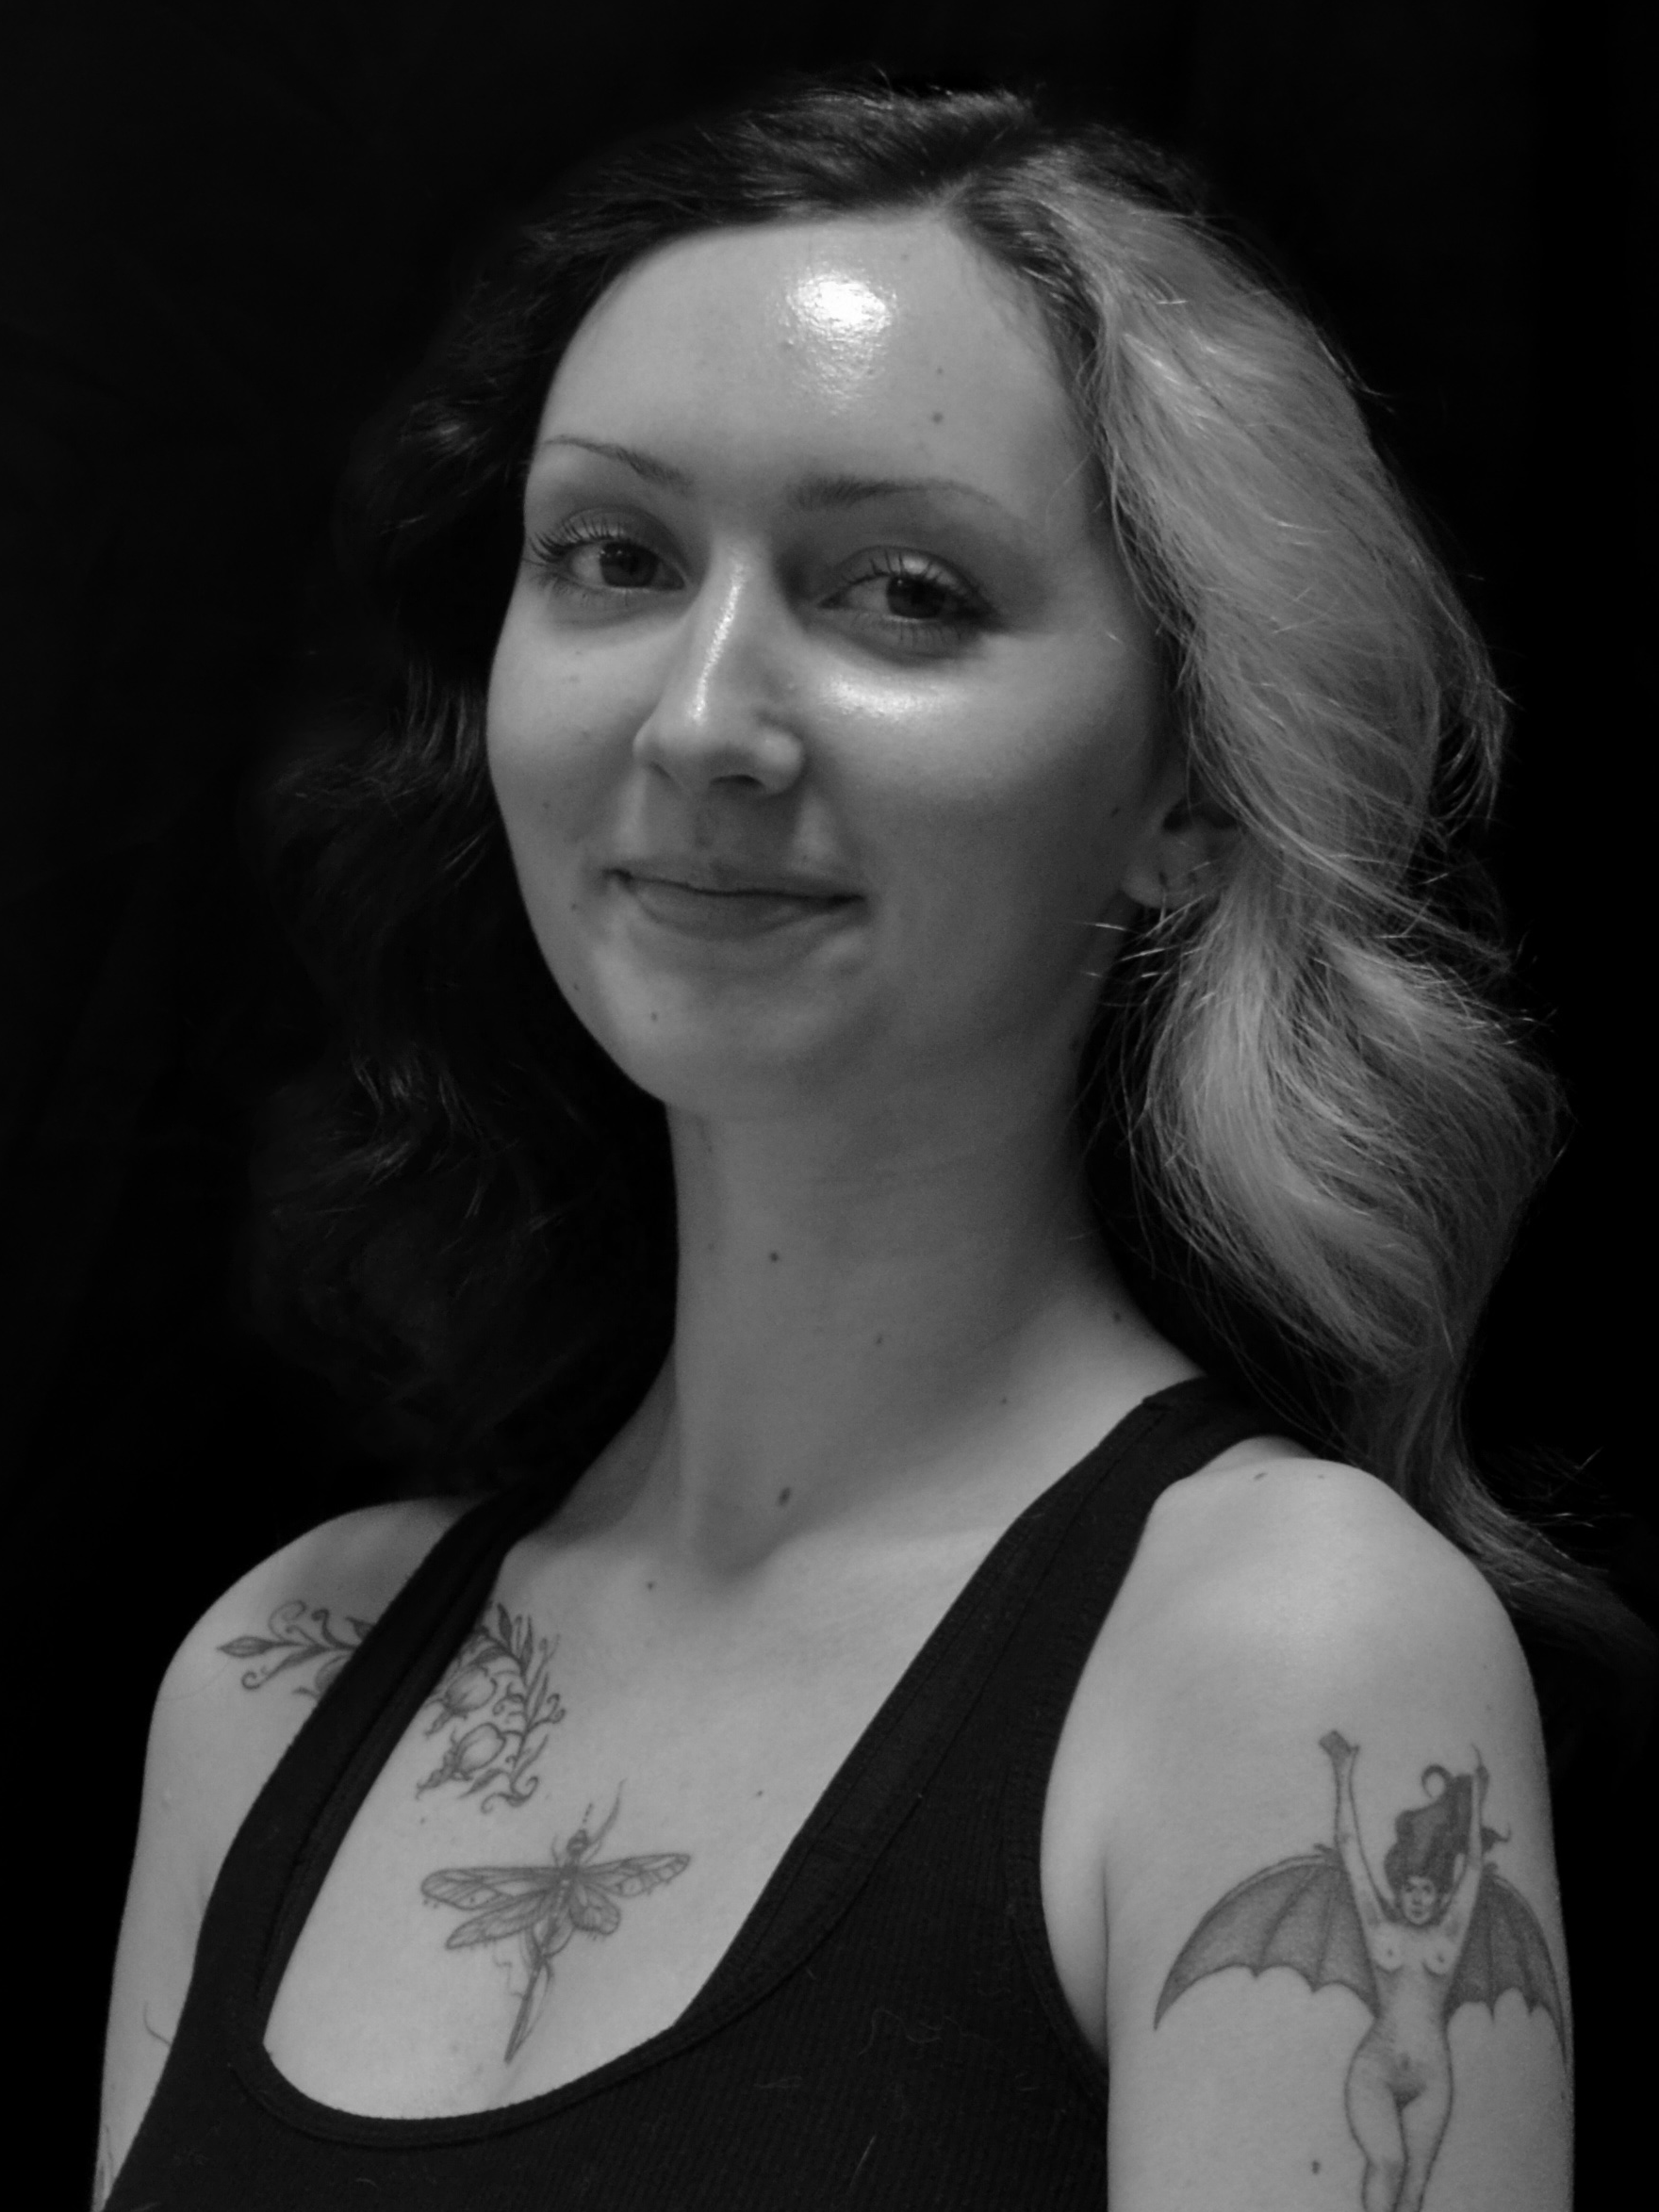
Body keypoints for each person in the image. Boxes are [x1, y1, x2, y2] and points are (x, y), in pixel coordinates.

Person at [96, 71, 1590, 2208]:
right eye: (608, 557)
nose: (701, 719)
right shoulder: (273, 1681)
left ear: (1187, 783)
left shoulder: (1281, 1668)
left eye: (900, 592)